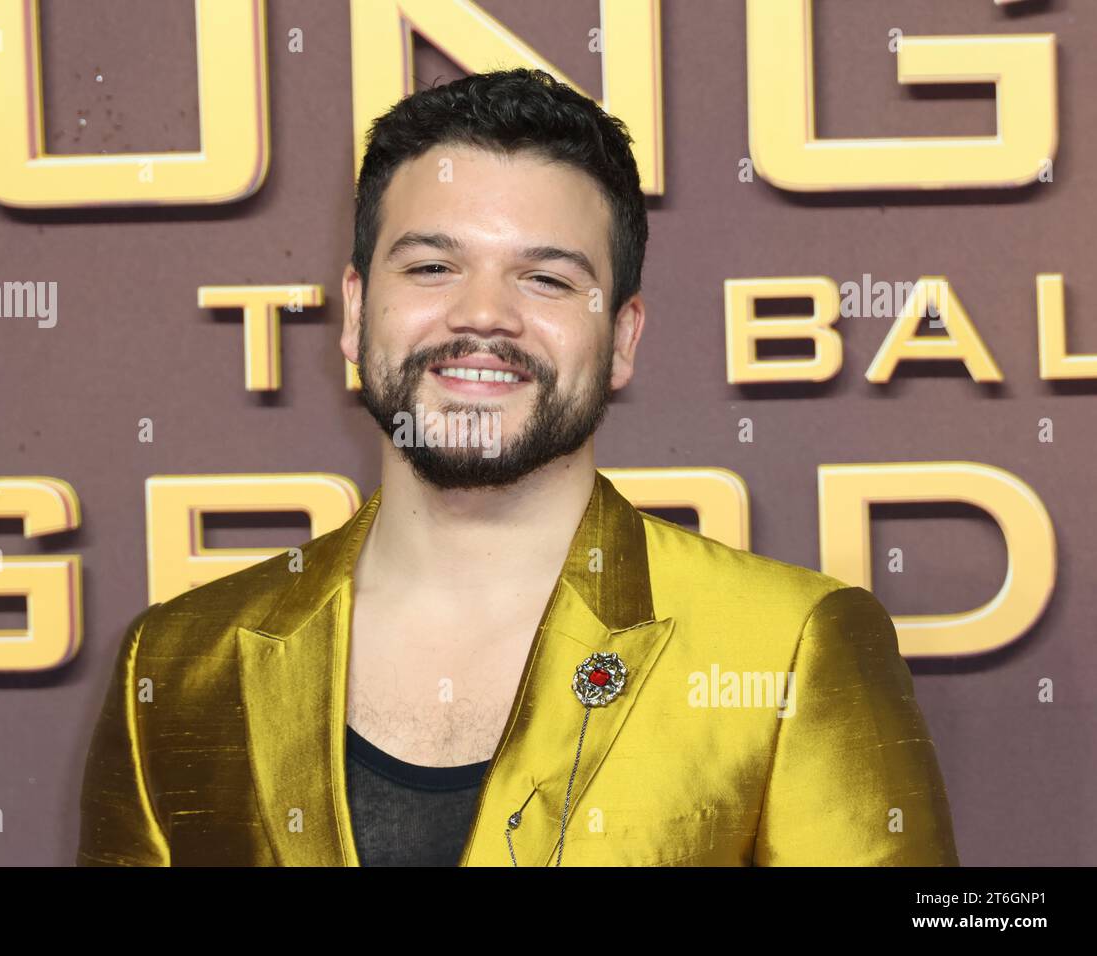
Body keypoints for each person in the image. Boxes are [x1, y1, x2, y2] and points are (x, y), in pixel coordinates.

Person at [77, 68, 958, 866]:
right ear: (353, 312)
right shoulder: (179, 667)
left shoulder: (790, 650)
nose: (483, 314)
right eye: (431, 265)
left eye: (544, 279)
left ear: (622, 336)